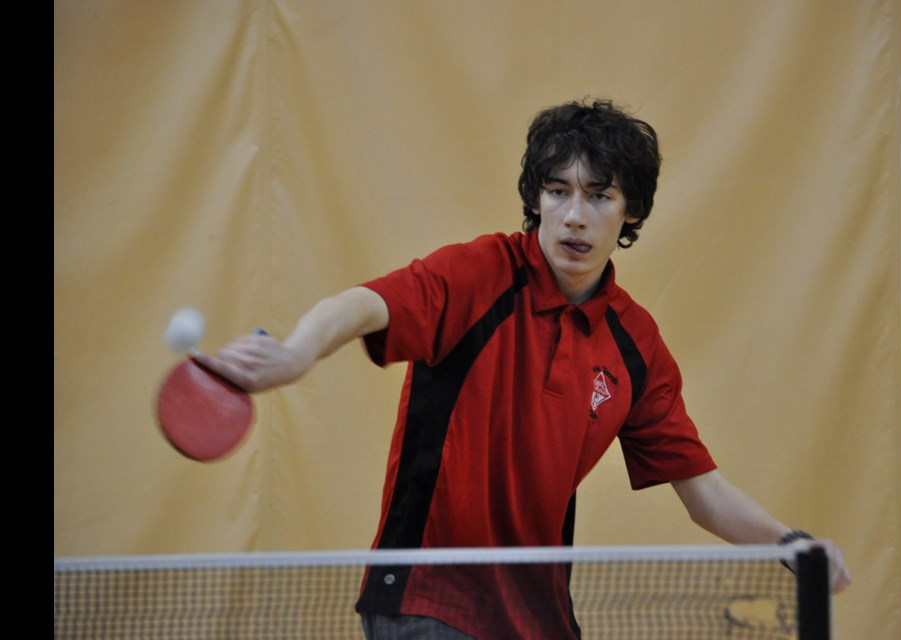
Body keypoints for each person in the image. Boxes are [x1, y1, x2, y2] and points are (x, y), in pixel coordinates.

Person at [195, 98, 851, 639]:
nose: (574, 215)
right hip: (428, 598)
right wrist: (298, 353)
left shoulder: (633, 345)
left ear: (632, 212)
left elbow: (705, 494)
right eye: (557, 190)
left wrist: (792, 544)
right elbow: (363, 304)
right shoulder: (479, 275)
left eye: (599, 196)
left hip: (539, 619)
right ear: (536, 198)